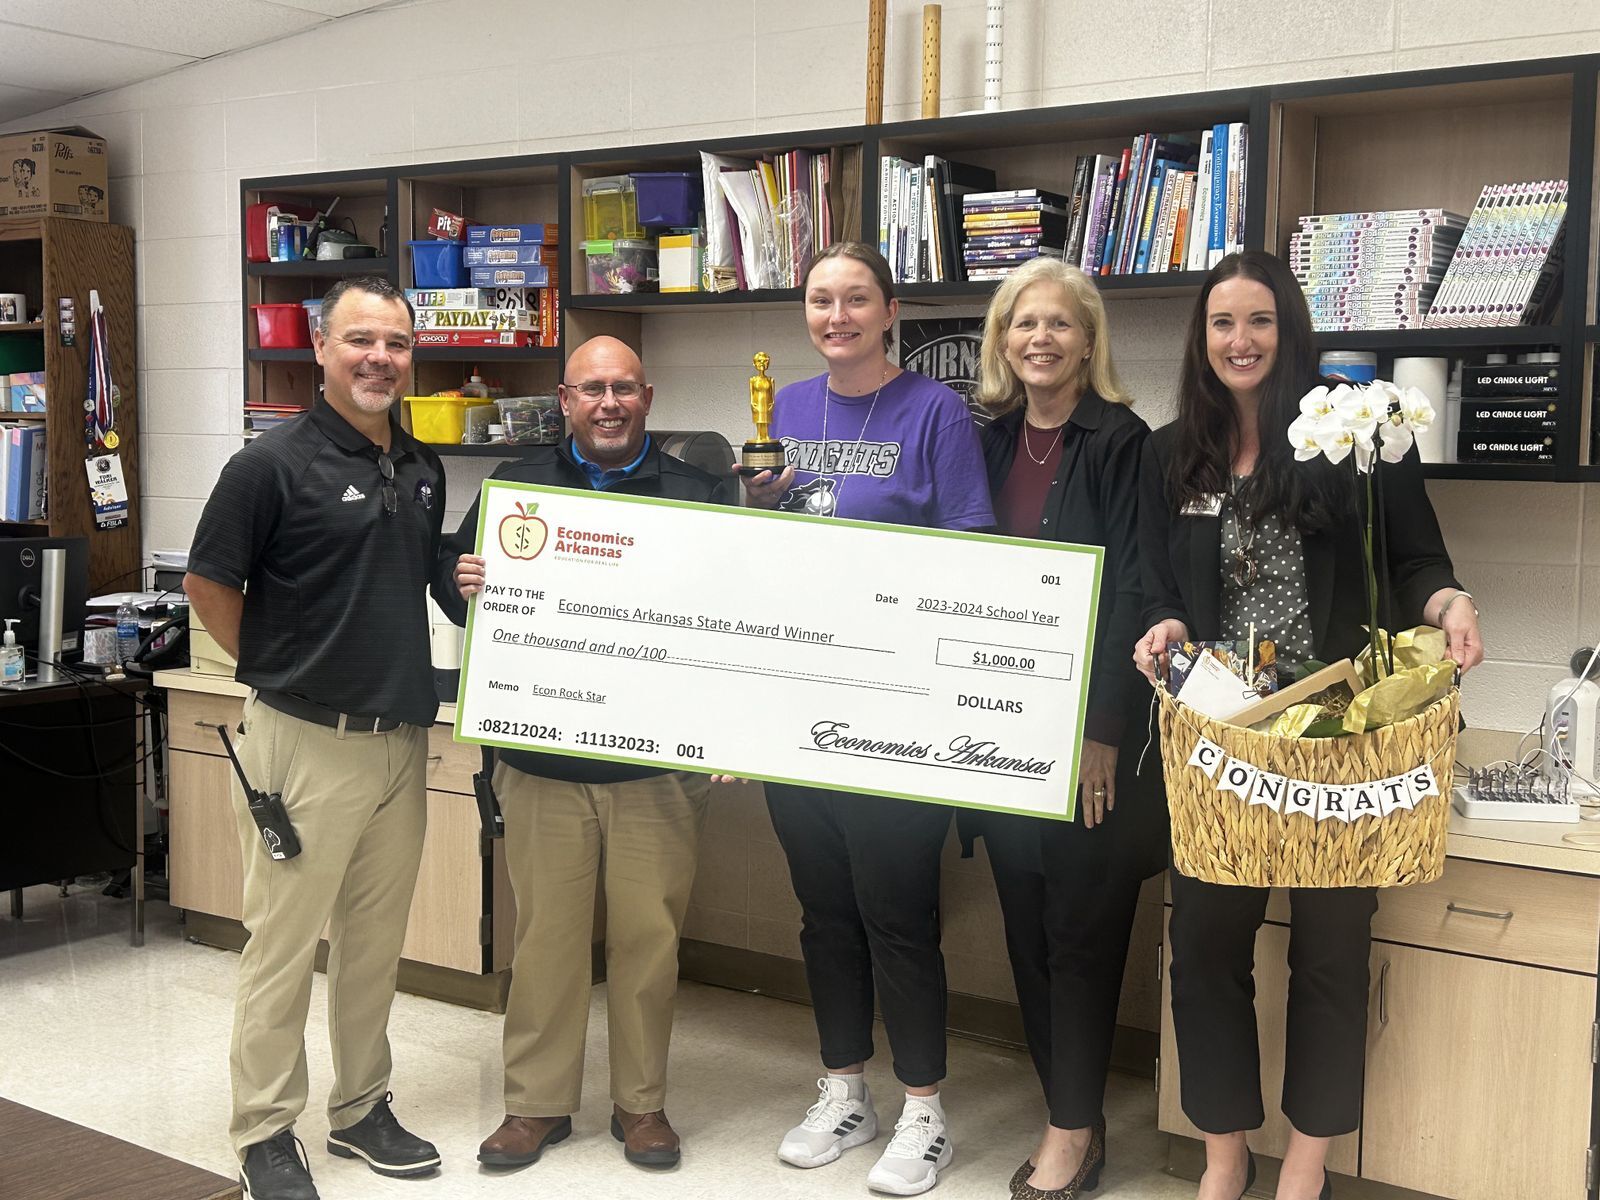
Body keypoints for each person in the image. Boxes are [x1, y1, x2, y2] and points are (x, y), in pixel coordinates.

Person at [1133, 250, 1483, 1200]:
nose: (1239, 341)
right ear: (1200, 338)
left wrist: (1448, 603)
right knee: (1204, 947)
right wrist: (1161, 623)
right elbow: (1153, 583)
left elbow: (1418, 560)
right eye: (1220, 323)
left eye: (1259, 321)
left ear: (1289, 332)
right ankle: (1222, 1157)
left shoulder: (1353, 438)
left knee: (1331, 952)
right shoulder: (1171, 453)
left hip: (1343, 742)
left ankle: (1306, 1166)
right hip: (1223, 738)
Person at [437, 335, 735, 1174]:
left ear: (649, 397)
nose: (609, 403)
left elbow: (733, 616)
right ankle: (534, 1106)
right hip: (540, 763)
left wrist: (730, 727)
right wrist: (463, 581)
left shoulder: (700, 492)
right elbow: (459, 592)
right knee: (546, 941)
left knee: (650, 941)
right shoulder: (516, 490)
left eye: (624, 389)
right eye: (591, 389)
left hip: (655, 769)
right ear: (564, 401)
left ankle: (642, 1106)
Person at [739, 241, 994, 1196]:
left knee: (897, 914)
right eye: (820, 301)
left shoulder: (937, 412)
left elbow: (971, 537)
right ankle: (845, 1089)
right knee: (824, 913)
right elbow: (761, 549)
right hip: (800, 699)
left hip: (896, 702)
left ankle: (925, 1111)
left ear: (892, 311)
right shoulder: (787, 409)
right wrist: (753, 509)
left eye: (855, 300)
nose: (836, 315)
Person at [184, 276, 445, 1200]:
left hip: (398, 741)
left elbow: (417, 581)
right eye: (361, 340)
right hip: (301, 742)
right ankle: (263, 1130)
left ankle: (361, 1107)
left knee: (375, 945)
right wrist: (280, 664)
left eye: (398, 344)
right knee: (283, 947)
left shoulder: (418, 466)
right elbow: (208, 583)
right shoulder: (270, 465)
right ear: (322, 351)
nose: (381, 358)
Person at [962, 257, 1162, 1200]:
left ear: (1089, 339)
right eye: (1021, 323)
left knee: (1081, 935)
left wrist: (1102, 732)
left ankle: (1070, 1134)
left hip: (1088, 737)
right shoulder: (988, 439)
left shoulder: (1125, 443)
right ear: (1003, 341)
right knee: (1029, 935)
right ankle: (1067, 1112)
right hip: (1001, 730)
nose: (1038, 338)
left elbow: (1134, 588)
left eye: (1059, 324)